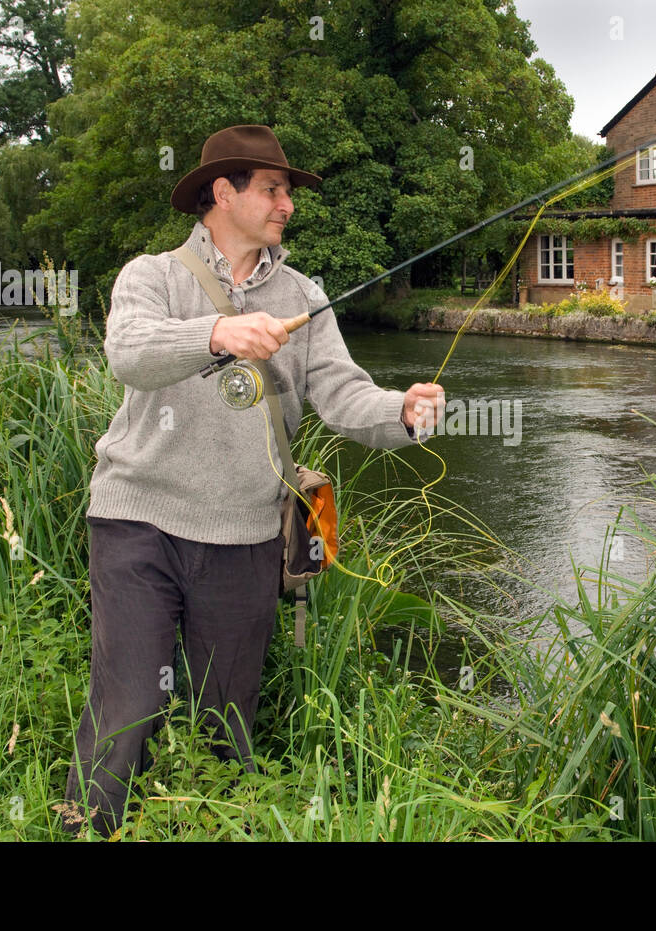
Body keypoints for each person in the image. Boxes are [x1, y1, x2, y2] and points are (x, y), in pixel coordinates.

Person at [59, 124, 444, 838]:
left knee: (225, 715)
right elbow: (129, 354)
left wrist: (405, 412)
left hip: (243, 532)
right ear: (222, 192)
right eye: (273, 188)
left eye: (290, 190)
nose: (287, 203)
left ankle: (212, 824)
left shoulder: (306, 294)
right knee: (131, 702)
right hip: (137, 521)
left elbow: (343, 397)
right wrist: (218, 333)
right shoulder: (153, 275)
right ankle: (87, 829)